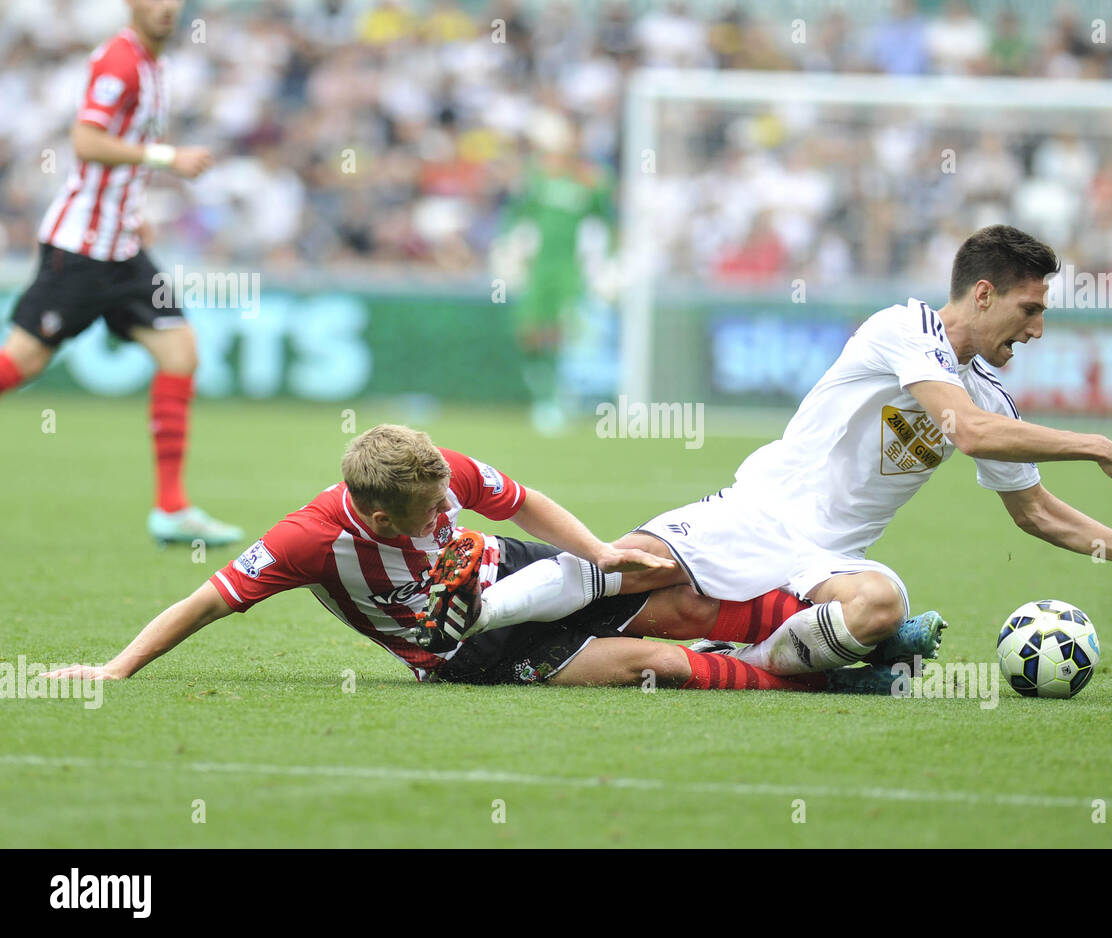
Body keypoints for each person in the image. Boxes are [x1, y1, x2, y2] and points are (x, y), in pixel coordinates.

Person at [443, 225, 1112, 675]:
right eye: (1029, 307)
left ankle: (750, 668)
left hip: (827, 556)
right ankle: (473, 618)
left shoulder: (991, 392)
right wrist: (1090, 441)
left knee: (882, 605)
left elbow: (1036, 515)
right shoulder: (904, 328)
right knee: (632, 569)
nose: (1038, 328)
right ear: (982, 294)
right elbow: (964, 432)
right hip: (760, 510)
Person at [42, 425, 934, 693]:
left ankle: (859, 635)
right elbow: (204, 600)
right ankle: (838, 679)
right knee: (663, 661)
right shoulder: (307, 541)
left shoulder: (439, 472)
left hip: (514, 572)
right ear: (379, 512)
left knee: (678, 597)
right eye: (431, 509)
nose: (446, 504)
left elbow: (526, 501)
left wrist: (598, 552)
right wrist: (117, 670)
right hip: (459, 650)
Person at [0, 0, 241, 546]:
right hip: (82, 249)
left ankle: (172, 509)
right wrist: (167, 158)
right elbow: (86, 142)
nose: (166, 7)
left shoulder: (155, 65)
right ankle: (173, 508)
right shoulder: (121, 62)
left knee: (181, 353)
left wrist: (132, 215)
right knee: (21, 362)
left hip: (122, 246)